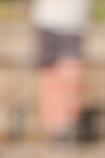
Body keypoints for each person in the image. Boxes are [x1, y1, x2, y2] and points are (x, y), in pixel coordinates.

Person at [31, 0, 91, 143]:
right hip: (47, 21)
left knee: (70, 76)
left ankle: (68, 124)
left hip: (73, 23)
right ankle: (54, 127)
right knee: (50, 77)